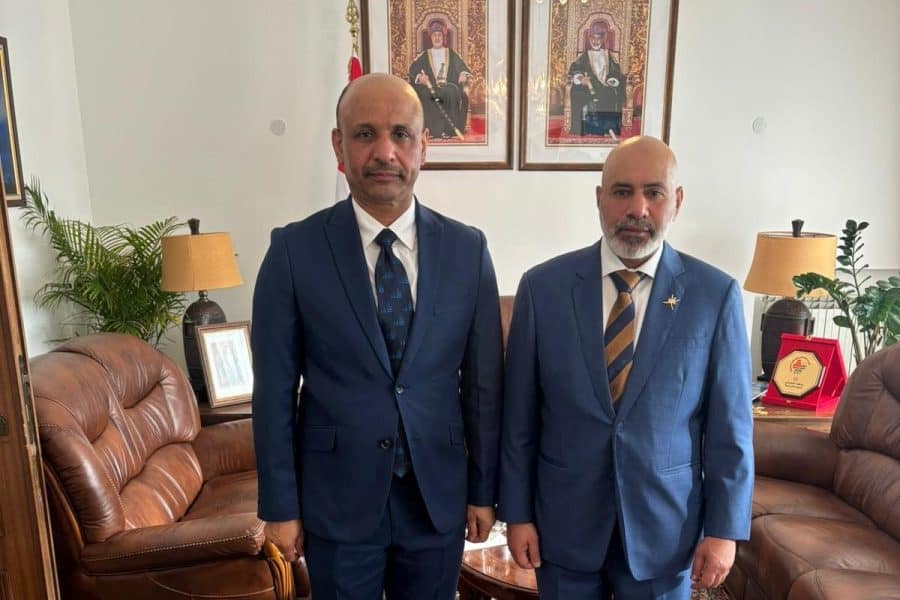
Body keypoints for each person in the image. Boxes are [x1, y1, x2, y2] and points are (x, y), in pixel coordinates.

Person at [251, 73, 503, 599]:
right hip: (336, 498)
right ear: (338, 146)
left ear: (423, 146)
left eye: (400, 134)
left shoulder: (468, 251)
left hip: (436, 497)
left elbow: (483, 388)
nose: (385, 152)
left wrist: (484, 492)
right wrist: (280, 507)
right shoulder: (293, 252)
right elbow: (273, 393)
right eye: (365, 134)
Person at [498, 136, 753, 599]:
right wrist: (516, 514)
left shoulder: (714, 296)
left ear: (677, 201)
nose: (638, 208)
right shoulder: (543, 289)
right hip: (564, 526)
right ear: (600, 198)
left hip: (665, 533)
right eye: (622, 191)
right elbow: (519, 419)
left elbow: (729, 429)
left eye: (654, 192)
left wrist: (724, 530)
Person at [408, 20, 472, 139]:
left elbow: (461, 66)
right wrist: (420, 77)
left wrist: (462, 74)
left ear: (443, 37)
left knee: (450, 92)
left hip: (448, 85)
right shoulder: (425, 54)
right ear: (431, 38)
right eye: (434, 35)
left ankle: (449, 131)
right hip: (431, 87)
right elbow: (413, 69)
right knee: (426, 94)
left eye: (439, 35)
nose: (437, 38)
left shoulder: (451, 53)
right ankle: (432, 131)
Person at [567, 21, 625, 137]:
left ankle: (609, 128)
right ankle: (587, 129)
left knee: (613, 94)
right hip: (589, 87)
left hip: (606, 86)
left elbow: (615, 71)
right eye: (593, 38)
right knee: (580, 94)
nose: (595, 42)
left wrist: (612, 80)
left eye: (598, 39)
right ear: (589, 39)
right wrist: (581, 78)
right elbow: (575, 69)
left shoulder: (608, 55)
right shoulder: (584, 55)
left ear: (603, 40)